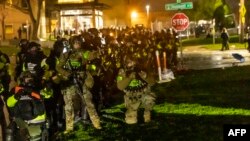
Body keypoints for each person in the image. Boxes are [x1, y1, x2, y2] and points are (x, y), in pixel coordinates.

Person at [56, 35, 101, 133]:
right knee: (68, 105)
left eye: (79, 43)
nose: (77, 44)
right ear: (72, 44)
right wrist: (67, 73)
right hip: (69, 81)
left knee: (88, 102)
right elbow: (58, 67)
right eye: (75, 43)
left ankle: (96, 123)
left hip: (81, 80)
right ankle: (69, 127)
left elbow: (89, 55)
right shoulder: (65, 54)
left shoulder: (82, 52)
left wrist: (96, 53)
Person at [6, 71, 47, 141]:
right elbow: (9, 103)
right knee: (11, 129)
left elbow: (45, 96)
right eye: (28, 78)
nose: (30, 80)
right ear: (22, 80)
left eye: (31, 78)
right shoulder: (16, 89)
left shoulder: (36, 88)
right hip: (21, 121)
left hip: (35, 121)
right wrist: (16, 97)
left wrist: (31, 92)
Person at [116, 55, 156, 124]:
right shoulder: (122, 71)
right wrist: (129, 78)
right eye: (129, 62)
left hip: (144, 94)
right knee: (130, 120)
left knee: (149, 99)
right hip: (131, 97)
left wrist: (145, 77)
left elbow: (152, 82)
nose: (131, 64)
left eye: (133, 62)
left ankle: (147, 113)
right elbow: (120, 86)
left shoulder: (143, 68)